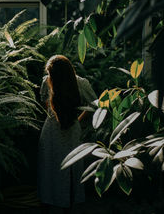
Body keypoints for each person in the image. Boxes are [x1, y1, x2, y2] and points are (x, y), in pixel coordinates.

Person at [37, 55, 97, 214]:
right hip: (67, 129)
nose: (49, 77)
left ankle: (52, 206)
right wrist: (78, 119)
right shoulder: (79, 83)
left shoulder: (77, 83)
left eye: (51, 73)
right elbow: (94, 105)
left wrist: (72, 118)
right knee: (63, 170)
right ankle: (63, 208)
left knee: (53, 170)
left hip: (53, 129)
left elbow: (47, 106)